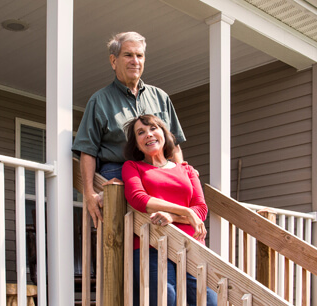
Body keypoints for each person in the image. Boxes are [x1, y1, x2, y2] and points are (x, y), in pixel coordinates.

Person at [72, 31, 186, 228]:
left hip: (157, 173)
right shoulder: (99, 100)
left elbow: (173, 145)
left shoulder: (160, 97)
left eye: (139, 55)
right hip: (118, 174)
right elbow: (87, 150)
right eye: (128, 55)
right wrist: (90, 194)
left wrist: (182, 176)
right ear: (113, 61)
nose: (135, 61)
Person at [121, 114, 217, 306]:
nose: (148, 134)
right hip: (153, 245)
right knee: (166, 299)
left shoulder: (186, 170)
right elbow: (139, 198)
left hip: (191, 246)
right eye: (141, 132)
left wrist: (173, 217)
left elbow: (201, 209)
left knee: (208, 301)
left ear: (164, 134)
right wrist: (186, 212)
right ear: (136, 144)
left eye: (153, 128)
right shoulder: (132, 167)